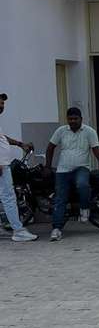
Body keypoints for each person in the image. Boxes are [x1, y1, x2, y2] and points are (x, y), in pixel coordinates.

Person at [45, 107, 99, 242]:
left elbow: (96, 151)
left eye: (75, 119)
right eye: (70, 119)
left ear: (81, 119)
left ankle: (84, 208)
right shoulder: (61, 131)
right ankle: (56, 229)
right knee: (60, 198)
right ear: (67, 119)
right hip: (62, 170)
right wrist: (47, 166)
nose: (72, 121)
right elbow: (50, 148)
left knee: (82, 184)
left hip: (81, 168)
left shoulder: (89, 132)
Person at [0, 92, 37, 242]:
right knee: (8, 197)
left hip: (4, 164)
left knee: (6, 197)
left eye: (3, 104)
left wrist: (21, 144)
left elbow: (3, 139)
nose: (2, 106)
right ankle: (18, 230)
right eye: (0, 103)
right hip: (1, 166)